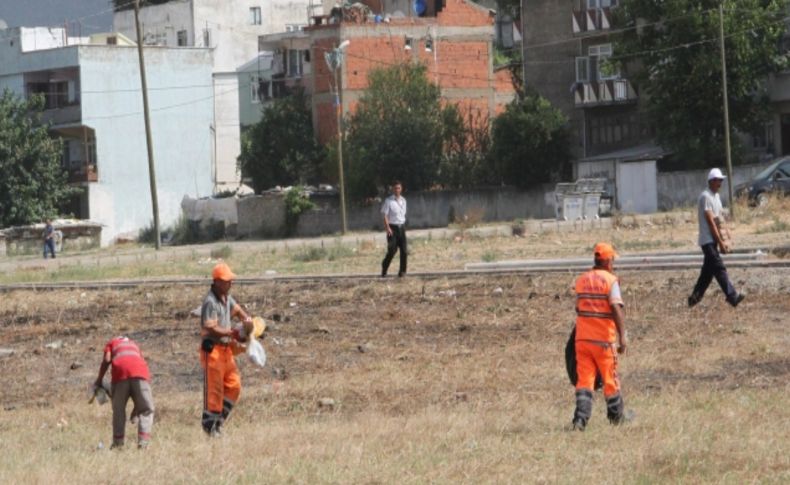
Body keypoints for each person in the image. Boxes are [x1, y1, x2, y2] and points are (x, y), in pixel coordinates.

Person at [571, 242, 628, 431]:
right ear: (608, 260)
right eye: (613, 260)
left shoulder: (582, 279)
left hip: (582, 340)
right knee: (610, 380)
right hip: (603, 341)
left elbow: (579, 307)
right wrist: (623, 336)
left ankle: (580, 419)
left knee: (584, 381)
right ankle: (616, 416)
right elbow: (615, 308)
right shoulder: (610, 281)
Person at [199, 262, 254, 436]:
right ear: (216, 282)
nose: (230, 283)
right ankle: (210, 426)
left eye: (230, 280)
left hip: (226, 351)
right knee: (214, 391)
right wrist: (232, 332)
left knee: (234, 385)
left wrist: (247, 320)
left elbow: (238, 310)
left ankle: (219, 422)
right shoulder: (210, 301)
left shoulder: (226, 298)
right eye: (226, 281)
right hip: (213, 351)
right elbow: (211, 328)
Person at [688, 168, 745, 308]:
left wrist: (727, 235)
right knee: (719, 268)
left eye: (721, 180)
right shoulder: (705, 197)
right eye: (718, 180)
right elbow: (711, 222)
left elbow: (720, 219)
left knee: (706, 275)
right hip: (707, 240)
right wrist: (720, 242)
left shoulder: (716, 197)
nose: (720, 183)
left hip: (714, 240)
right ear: (712, 181)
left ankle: (693, 299)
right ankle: (732, 297)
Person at [94, 336, 155, 449]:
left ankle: (118, 443)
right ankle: (143, 443)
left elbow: (107, 360)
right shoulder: (134, 345)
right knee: (146, 409)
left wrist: (99, 380)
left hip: (120, 376)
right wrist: (138, 406)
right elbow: (137, 365)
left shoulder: (111, 343)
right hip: (141, 374)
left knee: (118, 411)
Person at [381, 180, 408, 277]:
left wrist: (403, 226)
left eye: (399, 188)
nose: (397, 190)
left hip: (401, 227)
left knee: (404, 251)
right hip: (392, 229)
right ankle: (384, 265)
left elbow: (402, 215)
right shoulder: (389, 201)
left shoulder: (404, 201)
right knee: (392, 250)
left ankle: (402, 272)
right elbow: (385, 215)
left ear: (401, 189)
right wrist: (387, 228)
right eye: (395, 188)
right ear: (393, 189)